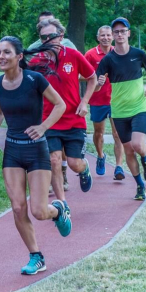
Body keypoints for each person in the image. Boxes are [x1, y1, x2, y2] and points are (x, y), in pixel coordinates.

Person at [0, 36, 70, 275]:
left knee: (39, 211)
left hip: (36, 150)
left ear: (19, 57)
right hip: (12, 150)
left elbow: (60, 104)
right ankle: (36, 256)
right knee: (18, 208)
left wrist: (43, 127)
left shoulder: (35, 80)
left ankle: (58, 210)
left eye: (7, 52)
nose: (1, 56)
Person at [29, 18, 97, 209]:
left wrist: (85, 102)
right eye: (44, 37)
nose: (48, 40)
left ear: (61, 36)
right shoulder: (36, 62)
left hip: (74, 119)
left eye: (52, 36)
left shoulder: (73, 55)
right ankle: (62, 203)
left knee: (74, 163)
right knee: (54, 160)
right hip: (49, 121)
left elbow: (92, 78)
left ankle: (84, 169)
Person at [96, 17, 146, 201]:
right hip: (120, 112)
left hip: (139, 107)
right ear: (113, 36)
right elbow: (96, 83)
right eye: (116, 32)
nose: (120, 34)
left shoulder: (138, 54)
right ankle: (139, 185)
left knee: (138, 145)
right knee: (128, 151)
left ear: (128, 33)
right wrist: (99, 82)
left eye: (123, 31)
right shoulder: (108, 59)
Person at [27, 11, 77, 190]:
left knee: (65, 152)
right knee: (51, 148)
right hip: (45, 105)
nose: (47, 38)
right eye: (43, 27)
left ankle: (63, 172)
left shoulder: (69, 45)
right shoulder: (35, 48)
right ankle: (52, 178)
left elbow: (77, 69)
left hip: (68, 105)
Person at [85, 25, 125, 180]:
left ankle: (119, 167)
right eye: (103, 35)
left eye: (109, 35)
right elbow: (82, 75)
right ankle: (101, 156)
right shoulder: (90, 55)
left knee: (117, 134)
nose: (106, 38)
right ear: (98, 37)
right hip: (98, 99)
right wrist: (96, 79)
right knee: (98, 133)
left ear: (113, 37)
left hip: (116, 100)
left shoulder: (119, 53)